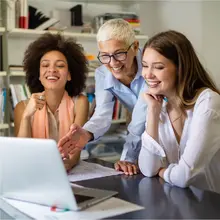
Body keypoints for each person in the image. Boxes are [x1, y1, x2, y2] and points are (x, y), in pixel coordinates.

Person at [58, 18, 146, 175]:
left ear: (135, 46)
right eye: (105, 56)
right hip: (143, 135)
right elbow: (102, 115)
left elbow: (140, 116)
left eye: (119, 54)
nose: (113, 63)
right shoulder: (102, 73)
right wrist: (85, 134)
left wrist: (128, 158)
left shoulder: (150, 64)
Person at [138, 30, 220, 193]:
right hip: (181, 206)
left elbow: (184, 176)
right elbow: (148, 169)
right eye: (145, 65)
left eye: (158, 67)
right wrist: (153, 112)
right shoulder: (158, 105)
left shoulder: (208, 102)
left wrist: (162, 172)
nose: (148, 74)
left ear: (180, 68)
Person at [14, 33, 89, 171]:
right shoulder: (21, 107)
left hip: (69, 172)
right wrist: (26, 117)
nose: (52, 70)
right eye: (45, 65)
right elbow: (21, 154)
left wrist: (63, 167)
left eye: (60, 66)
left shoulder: (80, 103)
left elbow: (74, 154)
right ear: (38, 74)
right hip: (34, 172)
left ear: (69, 75)